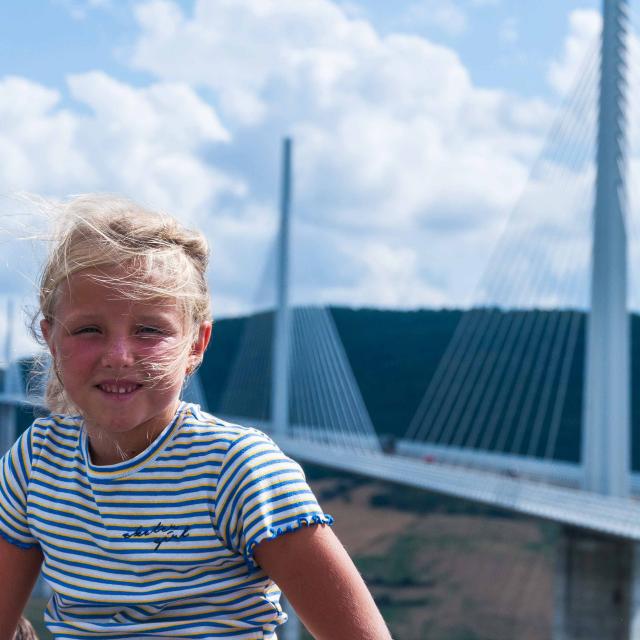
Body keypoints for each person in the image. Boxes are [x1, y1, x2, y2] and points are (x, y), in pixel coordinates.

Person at [0, 195, 391, 640]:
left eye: (149, 330)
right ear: (51, 339)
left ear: (196, 344)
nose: (119, 355)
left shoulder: (237, 469)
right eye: (89, 329)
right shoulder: (37, 461)